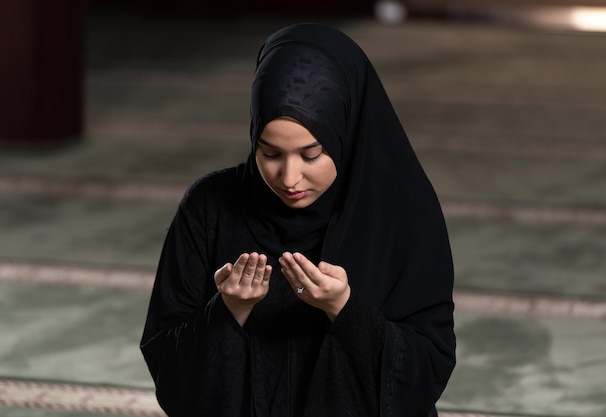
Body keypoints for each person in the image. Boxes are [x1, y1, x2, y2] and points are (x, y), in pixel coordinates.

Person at [140, 23, 455, 417]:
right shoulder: (209, 206)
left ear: (347, 133)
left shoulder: (403, 214)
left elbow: (430, 366)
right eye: (270, 154)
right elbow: (166, 360)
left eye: (311, 155)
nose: (289, 179)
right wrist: (228, 311)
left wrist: (345, 309)